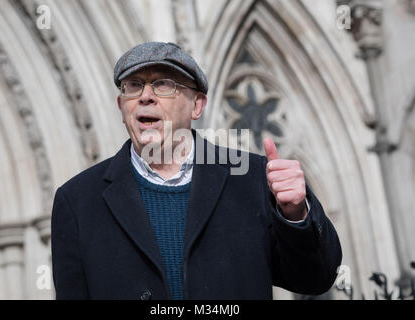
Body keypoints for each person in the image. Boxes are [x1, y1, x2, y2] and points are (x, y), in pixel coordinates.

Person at [51, 42, 342, 300]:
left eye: (163, 84)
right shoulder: (77, 201)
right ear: (121, 105)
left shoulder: (252, 179)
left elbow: (315, 279)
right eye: (134, 85)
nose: (145, 96)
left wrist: (295, 216)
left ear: (197, 105)